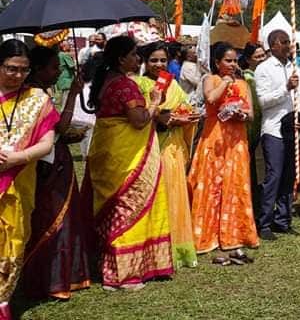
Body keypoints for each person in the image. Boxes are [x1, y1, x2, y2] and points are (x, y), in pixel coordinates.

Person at [85, 35, 173, 290]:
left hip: (107, 151)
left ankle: (109, 267)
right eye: (134, 54)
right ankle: (123, 275)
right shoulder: (124, 85)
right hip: (126, 156)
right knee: (128, 207)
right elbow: (139, 120)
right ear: (121, 58)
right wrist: (155, 101)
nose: (138, 58)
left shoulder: (106, 80)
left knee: (113, 208)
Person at [22, 46, 90, 300]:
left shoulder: (30, 91)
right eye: (54, 67)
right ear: (38, 69)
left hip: (43, 163)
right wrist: (72, 94)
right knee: (55, 220)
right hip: (50, 164)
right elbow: (60, 127)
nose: (58, 71)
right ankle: (54, 280)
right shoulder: (37, 95)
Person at [0, 40, 58, 318]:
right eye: (11, 68)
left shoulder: (37, 99)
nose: (17, 75)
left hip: (19, 180)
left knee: (13, 241)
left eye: (23, 70)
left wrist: (17, 159)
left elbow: (47, 144)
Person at [187, 42, 258, 263]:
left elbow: (251, 114)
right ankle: (208, 235)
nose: (232, 64)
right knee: (211, 185)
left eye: (235, 60)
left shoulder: (242, 83)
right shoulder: (211, 78)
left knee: (235, 185)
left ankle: (235, 234)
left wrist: (242, 115)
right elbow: (210, 99)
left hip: (236, 140)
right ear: (217, 62)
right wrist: (225, 83)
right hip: (214, 139)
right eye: (228, 60)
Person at [136, 42, 199, 269]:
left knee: (175, 192)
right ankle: (154, 248)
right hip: (151, 146)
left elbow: (185, 107)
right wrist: (165, 117)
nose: (159, 64)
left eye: (163, 60)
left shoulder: (172, 85)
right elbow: (144, 115)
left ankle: (176, 246)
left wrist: (188, 116)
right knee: (156, 194)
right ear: (144, 61)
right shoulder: (140, 84)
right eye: (154, 60)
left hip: (173, 147)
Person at [255, 30, 300, 240]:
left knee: (289, 176)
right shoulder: (264, 69)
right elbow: (264, 101)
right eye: (284, 42)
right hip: (273, 129)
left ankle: (283, 219)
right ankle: (265, 222)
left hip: (293, 129)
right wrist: (285, 89)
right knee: (274, 176)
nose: (289, 45)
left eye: (290, 42)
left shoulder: (295, 68)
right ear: (273, 45)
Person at [240, 42, 266, 215]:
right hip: (254, 128)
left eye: (263, 55)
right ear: (248, 60)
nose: (262, 59)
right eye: (257, 56)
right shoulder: (249, 78)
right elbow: (255, 108)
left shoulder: (262, 74)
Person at [54, 40, 75, 108]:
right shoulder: (65, 55)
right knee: (66, 100)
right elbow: (72, 66)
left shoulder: (58, 54)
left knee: (62, 99)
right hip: (67, 80)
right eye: (69, 45)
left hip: (61, 80)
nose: (70, 46)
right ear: (64, 47)